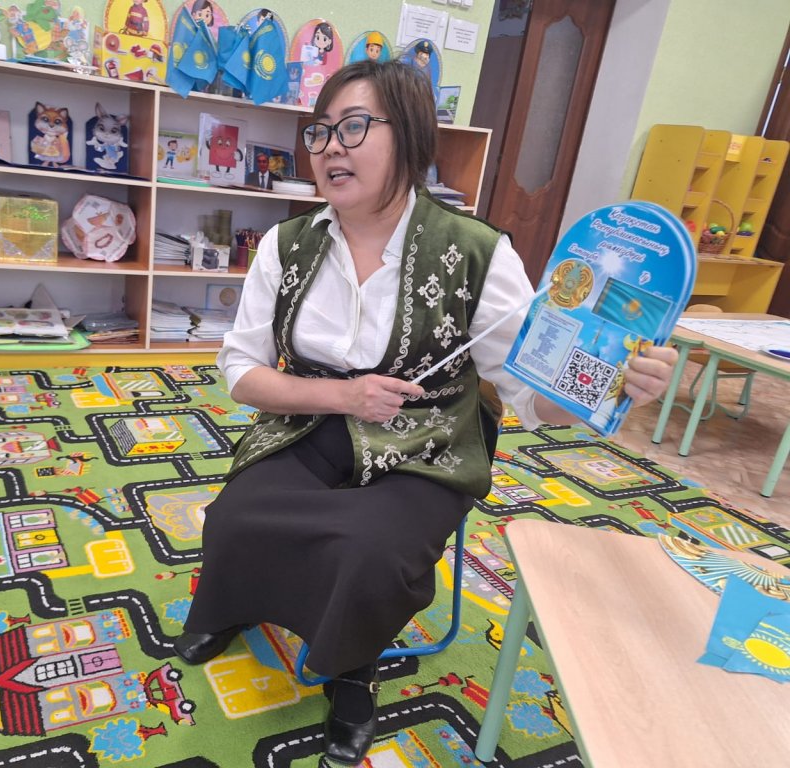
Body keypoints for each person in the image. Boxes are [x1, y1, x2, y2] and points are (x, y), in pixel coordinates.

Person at [173, 60, 678, 767]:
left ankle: (352, 669)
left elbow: (528, 394)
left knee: (370, 550)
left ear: (408, 138)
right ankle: (233, 604)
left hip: (429, 438)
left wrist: (609, 390)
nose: (330, 147)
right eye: (320, 132)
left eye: (354, 127)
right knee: (236, 514)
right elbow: (242, 373)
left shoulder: (477, 251)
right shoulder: (288, 246)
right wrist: (342, 396)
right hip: (312, 416)